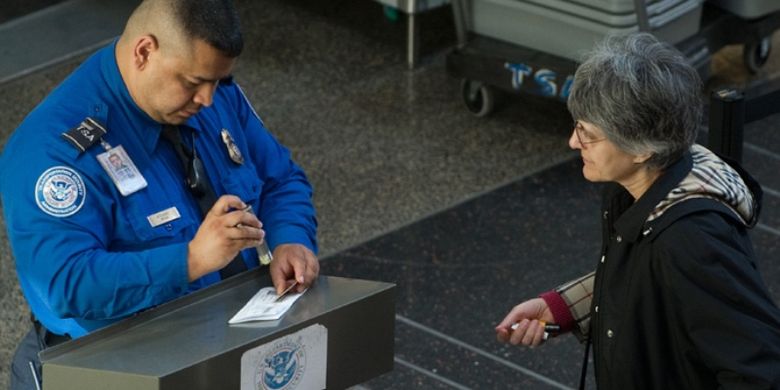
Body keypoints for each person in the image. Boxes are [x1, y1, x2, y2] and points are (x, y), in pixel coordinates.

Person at [0, 0, 319, 388]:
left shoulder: (209, 97)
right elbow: (67, 282)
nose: (207, 100)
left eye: (216, 82)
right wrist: (190, 260)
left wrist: (292, 240)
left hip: (225, 341)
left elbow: (281, 179)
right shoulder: (53, 151)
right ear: (144, 52)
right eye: (192, 82)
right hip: (116, 364)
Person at [495, 33, 780, 389]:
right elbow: (646, 279)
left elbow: (760, 368)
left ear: (642, 148)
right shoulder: (634, 188)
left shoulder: (691, 240)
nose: (572, 142)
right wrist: (565, 307)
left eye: (588, 134)